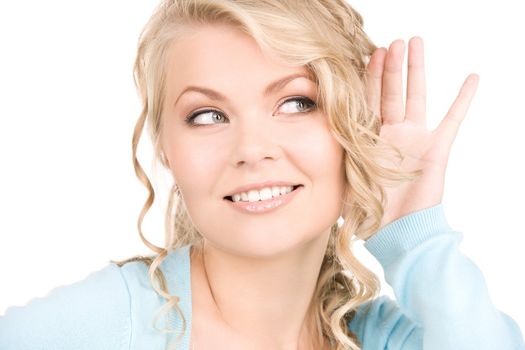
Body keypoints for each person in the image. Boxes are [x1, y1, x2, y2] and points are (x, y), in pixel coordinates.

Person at [1, 0, 524, 349]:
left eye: (296, 103)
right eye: (207, 115)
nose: (252, 150)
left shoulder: (386, 338)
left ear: (356, 125)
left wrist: (414, 234)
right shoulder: (101, 325)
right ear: (166, 150)